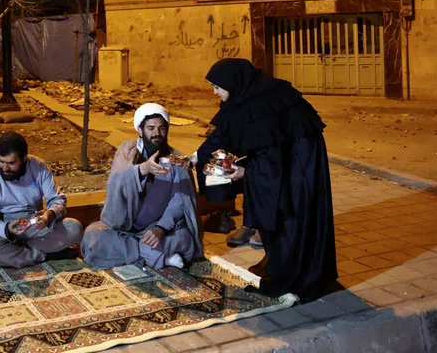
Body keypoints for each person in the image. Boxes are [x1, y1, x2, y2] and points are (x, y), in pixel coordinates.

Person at [198, 58, 337, 301]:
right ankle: (280, 262)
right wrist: (200, 158)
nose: (214, 92)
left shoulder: (267, 99)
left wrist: (246, 173)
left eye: (217, 87)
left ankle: (295, 278)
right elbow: (226, 133)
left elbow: (273, 157)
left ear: (233, 83)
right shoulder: (248, 95)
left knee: (291, 220)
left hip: (296, 172)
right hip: (280, 166)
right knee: (278, 216)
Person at [81, 103, 202, 269]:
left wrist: (160, 228)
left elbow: (180, 201)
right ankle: (160, 257)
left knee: (184, 237)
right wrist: (143, 169)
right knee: (93, 236)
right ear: (140, 130)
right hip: (123, 225)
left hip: (156, 226)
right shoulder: (127, 150)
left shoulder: (176, 160)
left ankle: (141, 253)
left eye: (161, 128)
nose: (156, 134)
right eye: (151, 128)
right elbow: (117, 179)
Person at [0, 132, 84, 267]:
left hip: (34, 225)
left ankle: (20, 253)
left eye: (11, 163)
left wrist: (49, 215)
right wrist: (8, 228)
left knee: (74, 227)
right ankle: (46, 255)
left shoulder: (38, 166)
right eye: (1, 162)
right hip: (5, 229)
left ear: (24, 158)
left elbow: (57, 199)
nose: (5, 168)